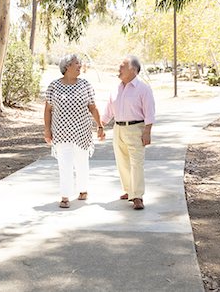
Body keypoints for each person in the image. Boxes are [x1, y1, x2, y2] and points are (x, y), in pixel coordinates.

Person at [44, 54, 105, 209]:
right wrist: (47, 129)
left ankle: (83, 190)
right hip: (61, 132)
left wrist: (100, 126)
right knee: (64, 163)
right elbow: (48, 109)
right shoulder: (54, 86)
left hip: (82, 131)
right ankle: (65, 196)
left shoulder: (85, 85)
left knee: (81, 161)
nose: (80, 66)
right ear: (67, 67)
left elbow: (93, 106)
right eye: (77, 63)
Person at [101, 55, 156, 210]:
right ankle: (128, 190)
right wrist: (100, 126)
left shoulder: (143, 89)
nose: (119, 68)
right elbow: (108, 111)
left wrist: (147, 132)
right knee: (122, 162)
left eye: (122, 66)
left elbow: (150, 112)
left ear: (133, 69)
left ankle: (137, 195)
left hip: (136, 129)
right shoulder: (116, 89)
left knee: (136, 163)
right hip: (118, 129)